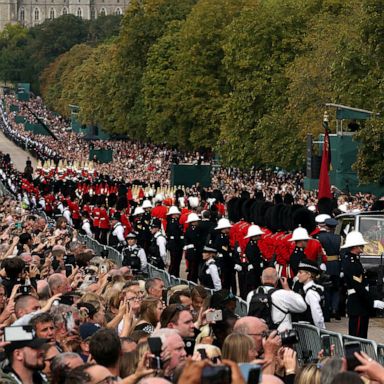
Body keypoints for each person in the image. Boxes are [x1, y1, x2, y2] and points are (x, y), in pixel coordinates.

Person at [341, 231, 384, 338]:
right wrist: (372, 301)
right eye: (361, 245)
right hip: (358, 304)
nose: (363, 246)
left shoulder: (354, 260)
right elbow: (359, 287)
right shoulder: (351, 263)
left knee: (361, 336)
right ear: (355, 246)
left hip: (360, 303)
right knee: (357, 337)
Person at [246, 267, 307, 331]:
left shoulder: (251, 294)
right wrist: (288, 290)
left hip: (259, 335)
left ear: (261, 279)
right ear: (277, 281)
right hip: (279, 336)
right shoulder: (283, 294)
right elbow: (302, 307)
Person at [316, 218, 342, 320]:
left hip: (325, 264)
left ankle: (326, 312)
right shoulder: (339, 238)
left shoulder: (320, 237)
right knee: (336, 289)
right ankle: (335, 309)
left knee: (326, 289)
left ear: (326, 226)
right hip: (336, 265)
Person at [294, 259, 325, 329]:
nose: (297, 275)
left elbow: (317, 316)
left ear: (309, 274)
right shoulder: (310, 289)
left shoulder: (311, 293)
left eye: (300, 272)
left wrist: (321, 331)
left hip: (311, 332)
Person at [213, 218, 234, 292]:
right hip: (224, 260)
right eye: (228, 228)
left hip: (225, 259)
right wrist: (229, 253)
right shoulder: (221, 237)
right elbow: (223, 249)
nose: (229, 229)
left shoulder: (224, 236)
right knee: (225, 279)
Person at [165, 206, 183, 277]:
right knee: (174, 261)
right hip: (175, 244)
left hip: (176, 243)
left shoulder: (175, 222)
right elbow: (175, 234)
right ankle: (172, 276)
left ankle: (175, 275)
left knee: (176, 262)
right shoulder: (173, 222)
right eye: (177, 214)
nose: (178, 215)